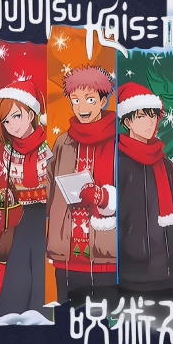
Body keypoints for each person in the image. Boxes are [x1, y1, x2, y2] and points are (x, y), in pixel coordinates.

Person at [45, 65, 117, 304]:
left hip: (107, 253)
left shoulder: (119, 141)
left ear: (103, 101)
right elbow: (49, 186)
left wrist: (103, 197)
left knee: (108, 318)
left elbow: (133, 190)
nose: (81, 107)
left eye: (89, 99)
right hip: (67, 253)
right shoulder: (63, 142)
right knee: (67, 317)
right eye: (75, 100)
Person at [0, 75, 52, 317]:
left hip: (49, 216)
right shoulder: (10, 152)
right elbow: (12, 191)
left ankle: (40, 313)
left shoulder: (49, 146)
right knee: (18, 265)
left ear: (31, 113)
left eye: (16, 116)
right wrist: (1, 198)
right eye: (6, 121)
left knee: (41, 267)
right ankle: (10, 315)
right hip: (27, 217)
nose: (12, 125)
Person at [115, 82, 173, 296]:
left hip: (168, 268)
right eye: (141, 116)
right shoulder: (118, 162)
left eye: (153, 116)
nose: (150, 122)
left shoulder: (165, 164)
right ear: (127, 121)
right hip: (131, 270)